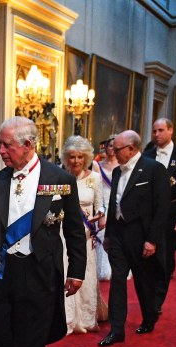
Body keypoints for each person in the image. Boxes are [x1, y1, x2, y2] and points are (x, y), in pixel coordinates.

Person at [0, 118, 85, 347]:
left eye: (7, 145)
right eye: (0, 144)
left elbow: (73, 230)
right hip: (2, 271)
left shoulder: (59, 180)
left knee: (30, 338)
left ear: (29, 145)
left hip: (40, 271)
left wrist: (77, 271)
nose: (0, 150)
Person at [98, 130, 170, 347]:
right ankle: (116, 330)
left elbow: (162, 208)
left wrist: (152, 240)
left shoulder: (154, 169)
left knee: (143, 281)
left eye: (117, 149)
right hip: (119, 235)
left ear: (131, 149)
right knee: (118, 281)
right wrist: (109, 234)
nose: (113, 152)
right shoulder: (118, 171)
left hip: (141, 236)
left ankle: (149, 317)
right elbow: (114, 204)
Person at [142, 118, 176, 313]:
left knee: (165, 259)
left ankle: (157, 302)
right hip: (149, 215)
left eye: (161, 130)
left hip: (172, 214)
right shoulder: (146, 155)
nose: (157, 134)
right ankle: (149, 298)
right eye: (154, 131)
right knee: (148, 259)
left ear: (171, 130)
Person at [60, 136, 104, 334]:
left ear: (86, 158)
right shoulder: (58, 176)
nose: (75, 161)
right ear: (65, 158)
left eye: (79, 157)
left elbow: (100, 205)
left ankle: (86, 319)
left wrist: (100, 216)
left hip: (86, 234)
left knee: (84, 274)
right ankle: (66, 319)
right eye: (71, 157)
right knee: (64, 271)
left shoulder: (95, 178)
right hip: (61, 233)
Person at [91, 136, 119, 281]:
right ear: (105, 147)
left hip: (118, 203)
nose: (112, 149)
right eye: (110, 146)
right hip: (102, 202)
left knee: (115, 235)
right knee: (101, 234)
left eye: (115, 146)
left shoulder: (122, 165)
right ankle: (101, 268)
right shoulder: (97, 165)